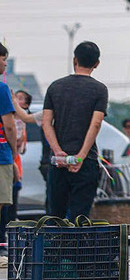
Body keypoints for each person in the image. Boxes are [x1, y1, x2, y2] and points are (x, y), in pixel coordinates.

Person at [42, 40, 108, 222]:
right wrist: (81, 156)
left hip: (58, 161)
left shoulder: (55, 87)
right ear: (97, 63)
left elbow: (46, 123)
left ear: (75, 60)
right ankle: (76, 251)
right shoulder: (99, 90)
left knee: (55, 215)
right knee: (80, 217)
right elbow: (96, 124)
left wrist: (57, 151)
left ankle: (56, 250)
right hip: (86, 162)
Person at [0, 43, 18, 255]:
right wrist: (13, 152)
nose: (5, 63)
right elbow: (10, 125)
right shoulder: (2, 89)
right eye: (4, 59)